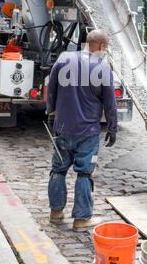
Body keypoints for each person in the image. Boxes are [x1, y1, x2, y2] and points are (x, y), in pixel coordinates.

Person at [46, 29, 118, 230]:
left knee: (58, 170)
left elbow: (51, 90)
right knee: (85, 173)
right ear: (102, 47)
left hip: (62, 127)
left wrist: (51, 114)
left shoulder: (63, 59)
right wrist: (112, 128)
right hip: (87, 131)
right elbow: (110, 104)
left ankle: (56, 213)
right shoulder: (103, 69)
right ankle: (81, 218)